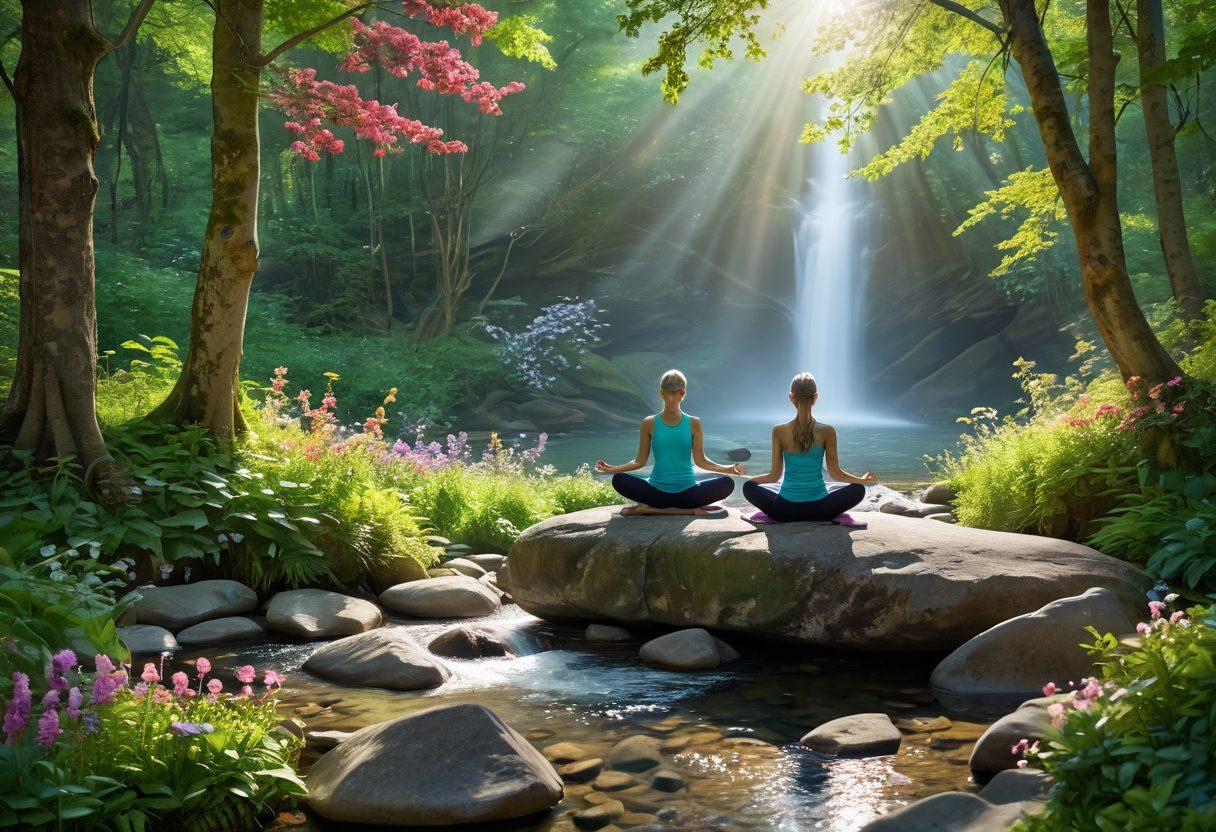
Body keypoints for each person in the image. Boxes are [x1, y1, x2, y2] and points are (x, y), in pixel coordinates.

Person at [595, 369, 745, 516]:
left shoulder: (692, 423)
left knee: (727, 483)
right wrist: (613, 469)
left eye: (677, 393)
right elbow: (640, 461)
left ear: (682, 394)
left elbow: (701, 461)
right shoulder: (650, 423)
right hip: (668, 493)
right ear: (662, 394)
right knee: (619, 479)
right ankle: (688, 510)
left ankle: (650, 509)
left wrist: (729, 469)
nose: (673, 398)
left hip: (676, 494)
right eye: (670, 394)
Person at [743, 372, 877, 523]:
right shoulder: (828, 431)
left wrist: (751, 481)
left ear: (791, 397)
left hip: (784, 511)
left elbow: (774, 476)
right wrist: (861, 480)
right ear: (815, 397)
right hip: (821, 510)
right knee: (858, 489)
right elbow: (835, 473)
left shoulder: (779, 431)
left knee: (748, 487)